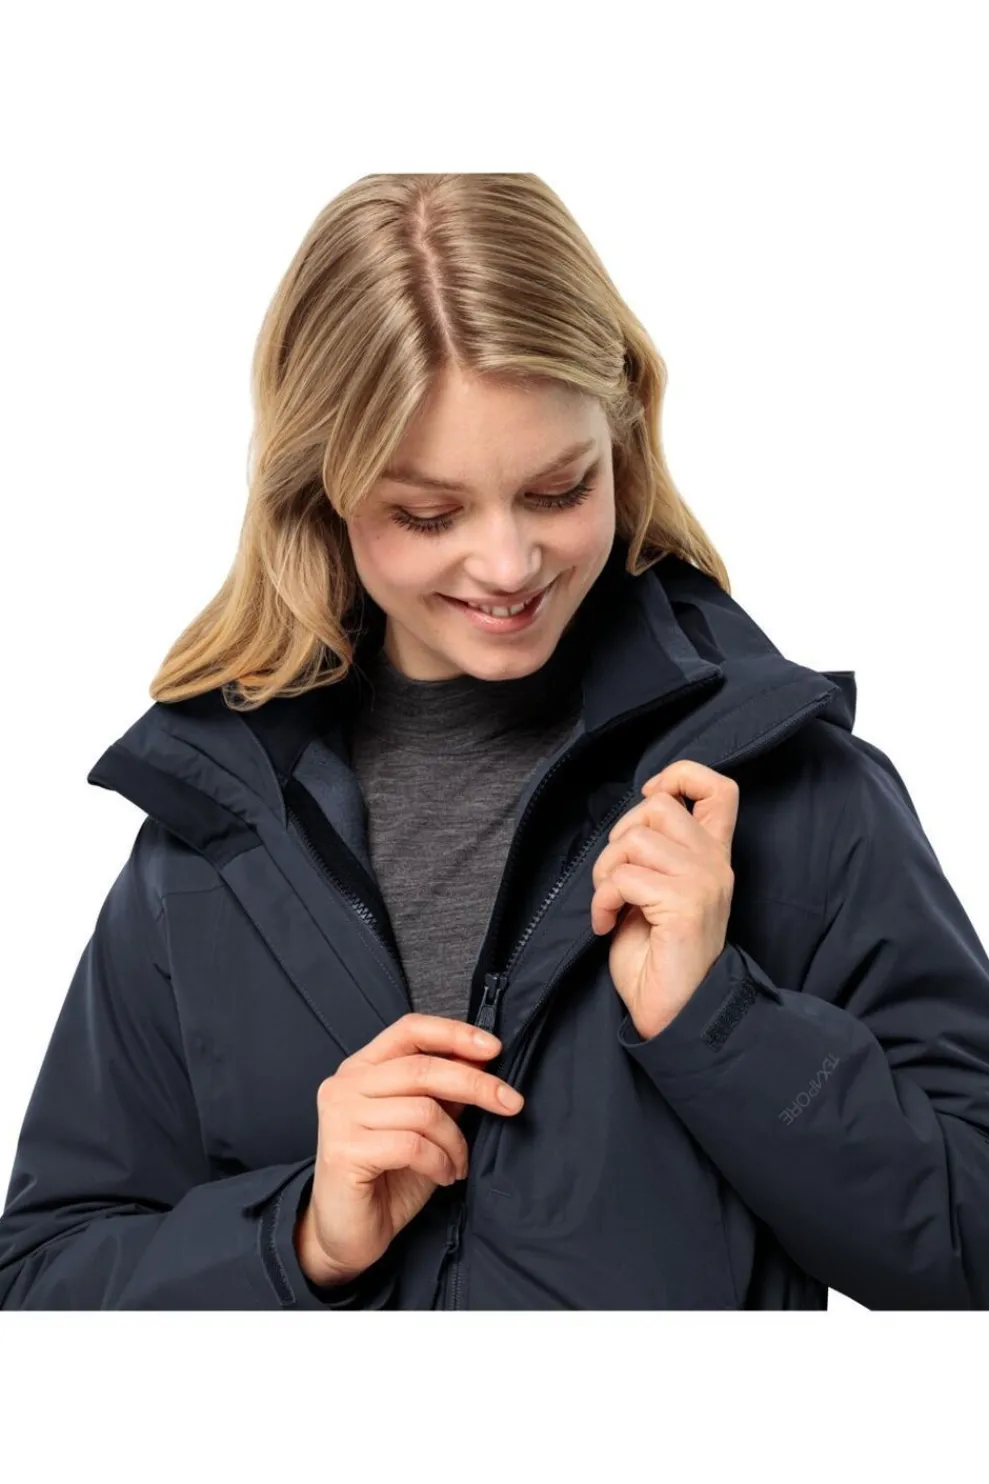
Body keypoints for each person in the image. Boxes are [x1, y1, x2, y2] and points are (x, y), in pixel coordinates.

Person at [2, 173, 989, 1311]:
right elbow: (41, 1284)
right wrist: (300, 1237)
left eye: (558, 490)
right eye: (428, 514)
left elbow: (968, 1243)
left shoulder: (790, 793)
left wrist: (718, 1021)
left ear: (622, 437)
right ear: (320, 489)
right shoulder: (215, 836)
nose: (508, 566)